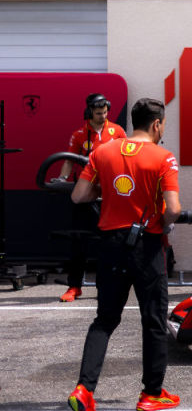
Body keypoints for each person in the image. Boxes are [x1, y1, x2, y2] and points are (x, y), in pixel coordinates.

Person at [66, 98, 182, 411]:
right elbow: (173, 209)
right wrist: (163, 219)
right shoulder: (163, 157)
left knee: (105, 319)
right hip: (146, 246)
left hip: (110, 245)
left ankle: (84, 390)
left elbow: (78, 195)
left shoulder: (102, 152)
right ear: (156, 124)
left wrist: (104, 192)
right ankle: (152, 394)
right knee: (153, 319)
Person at [54, 93, 127, 302]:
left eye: (105, 112)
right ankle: (74, 286)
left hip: (110, 195)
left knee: (109, 242)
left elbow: (127, 157)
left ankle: (106, 287)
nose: (102, 116)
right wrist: (62, 178)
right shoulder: (79, 134)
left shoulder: (117, 131)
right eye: (98, 113)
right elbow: (69, 160)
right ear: (89, 112)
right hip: (86, 194)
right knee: (79, 240)